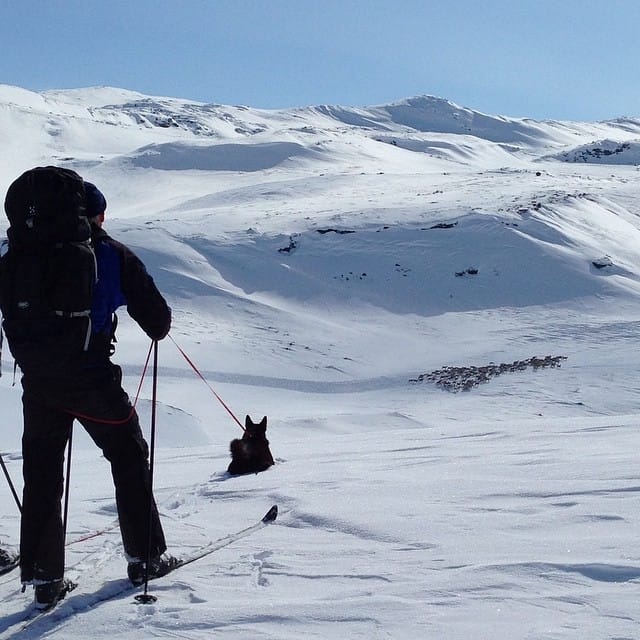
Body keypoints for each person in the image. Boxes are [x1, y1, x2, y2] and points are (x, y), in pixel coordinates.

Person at [18, 180, 177, 609]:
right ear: (98, 215)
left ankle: (44, 580)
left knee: (43, 472)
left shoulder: (23, 256)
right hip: (92, 382)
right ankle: (145, 558)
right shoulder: (111, 254)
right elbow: (158, 321)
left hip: (38, 386)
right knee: (128, 454)